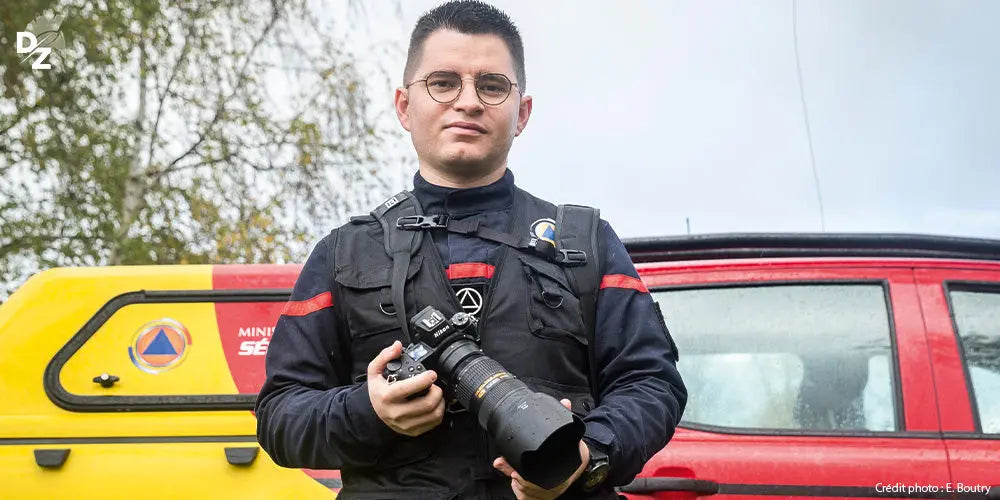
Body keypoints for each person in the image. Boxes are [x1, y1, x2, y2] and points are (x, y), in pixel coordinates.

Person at [255, 1, 687, 498]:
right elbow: (279, 414)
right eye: (442, 82)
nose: (467, 101)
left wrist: (587, 454)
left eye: (492, 85)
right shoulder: (344, 253)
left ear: (521, 112)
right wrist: (368, 411)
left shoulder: (584, 241)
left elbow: (653, 383)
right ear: (404, 106)